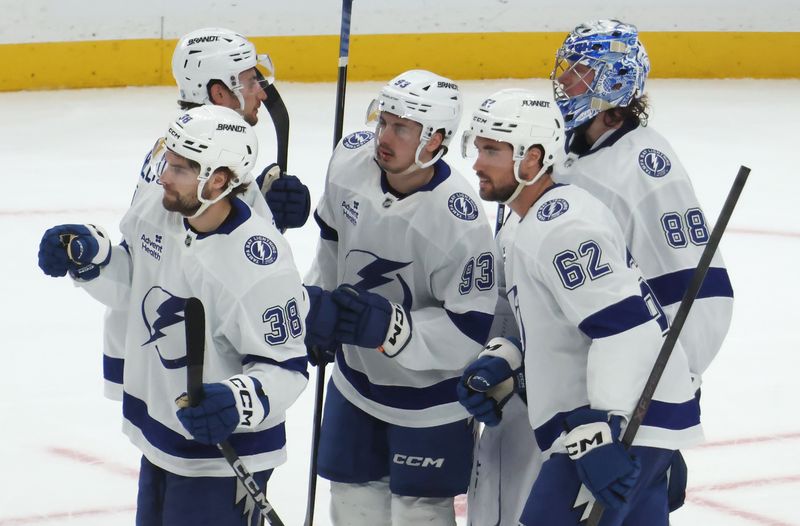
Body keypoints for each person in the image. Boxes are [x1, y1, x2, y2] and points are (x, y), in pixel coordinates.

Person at [37, 105, 309, 526]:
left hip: (223, 455)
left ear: (218, 180)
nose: (164, 175)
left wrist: (237, 401)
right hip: (162, 432)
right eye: (168, 161)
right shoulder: (157, 206)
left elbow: (287, 368)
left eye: (180, 169)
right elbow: (135, 282)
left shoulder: (260, 264)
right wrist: (92, 259)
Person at [457, 88, 704, 525]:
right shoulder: (524, 222)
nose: (477, 163)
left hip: (615, 426)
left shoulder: (563, 228)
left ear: (531, 158)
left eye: (491, 150)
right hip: (620, 424)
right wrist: (507, 360)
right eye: (478, 149)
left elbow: (625, 329)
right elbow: (561, 327)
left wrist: (601, 430)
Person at [551, 18, 734, 510]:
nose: (564, 81)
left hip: (629, 404)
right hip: (578, 392)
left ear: (614, 82)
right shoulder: (567, 151)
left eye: (581, 72)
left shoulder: (646, 168)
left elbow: (703, 297)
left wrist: (667, 408)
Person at [303, 69, 498, 525]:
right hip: (355, 384)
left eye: (401, 128)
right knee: (351, 506)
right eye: (383, 121)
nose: (383, 137)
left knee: (419, 515)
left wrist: (396, 330)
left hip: (430, 402)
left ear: (435, 141)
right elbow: (332, 242)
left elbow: (471, 331)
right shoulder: (350, 161)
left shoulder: (460, 222)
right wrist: (318, 303)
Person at [102, 27, 311, 400]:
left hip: (155, 349)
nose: (261, 91)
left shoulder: (181, 148)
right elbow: (224, 267)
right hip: (177, 359)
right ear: (219, 92)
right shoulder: (197, 164)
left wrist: (262, 205)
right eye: (250, 81)